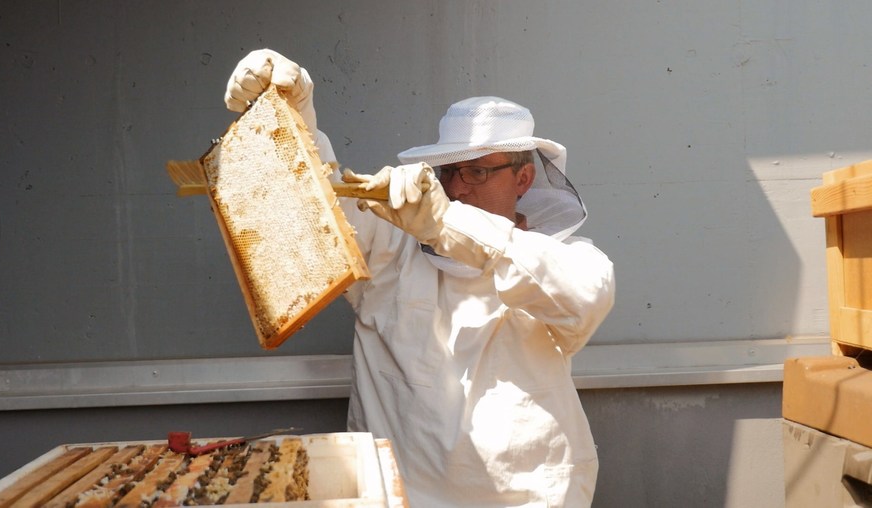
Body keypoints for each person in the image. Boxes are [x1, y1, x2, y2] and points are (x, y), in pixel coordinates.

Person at [225, 49, 616, 507]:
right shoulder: (390, 247)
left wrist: (447, 226)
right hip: (401, 493)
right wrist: (295, 110)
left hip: (529, 495)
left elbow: (582, 295)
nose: (457, 187)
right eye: (449, 172)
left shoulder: (570, 258)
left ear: (523, 178)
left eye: (476, 171)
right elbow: (321, 202)